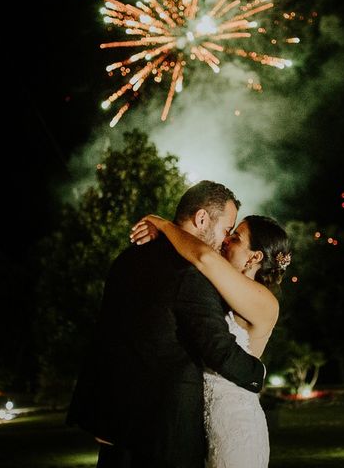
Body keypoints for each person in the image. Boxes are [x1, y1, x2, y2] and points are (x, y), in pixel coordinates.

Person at [66, 181, 266, 468]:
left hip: (116, 426)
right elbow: (217, 348)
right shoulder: (190, 273)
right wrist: (258, 372)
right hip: (166, 433)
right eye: (226, 229)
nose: (225, 240)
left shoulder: (127, 258)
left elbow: (107, 337)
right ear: (201, 219)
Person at [130, 211, 291, 467]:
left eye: (236, 237)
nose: (227, 241)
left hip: (235, 422)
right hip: (202, 419)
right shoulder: (222, 287)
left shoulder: (265, 302)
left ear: (255, 257)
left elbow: (203, 255)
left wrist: (162, 224)